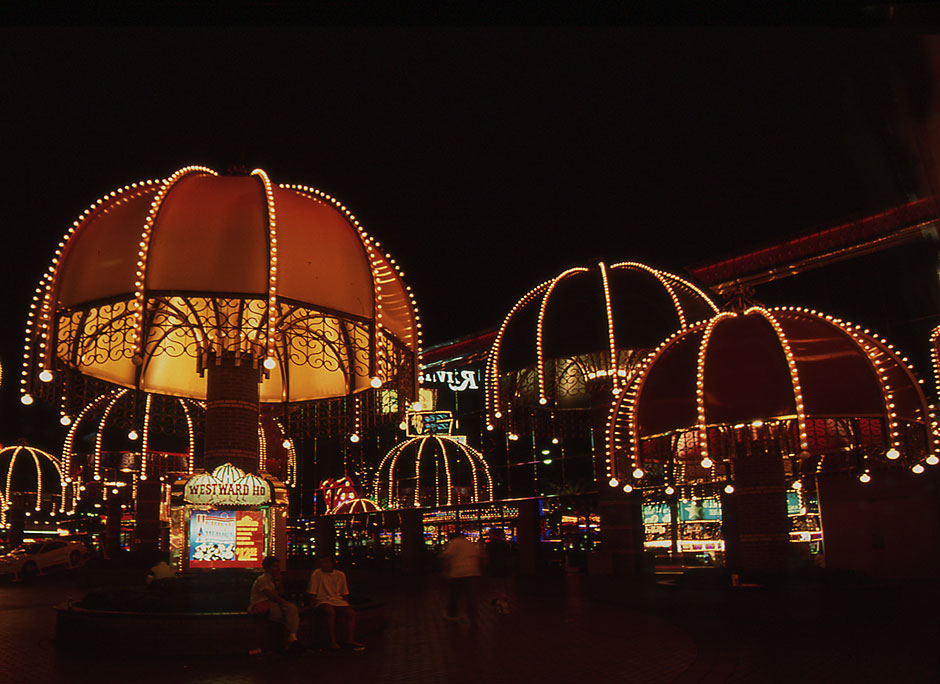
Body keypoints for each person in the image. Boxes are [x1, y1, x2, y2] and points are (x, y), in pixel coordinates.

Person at [306, 555, 363, 650]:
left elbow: (344, 592)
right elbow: (313, 591)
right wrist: (311, 605)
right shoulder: (317, 574)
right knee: (330, 611)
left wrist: (346, 603)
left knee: (351, 613)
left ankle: (350, 639)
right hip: (323, 600)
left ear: (332, 563)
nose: (324, 565)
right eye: (322, 563)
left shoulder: (340, 575)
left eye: (326, 562)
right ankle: (332, 640)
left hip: (337, 600)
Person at [249, 556, 302, 652]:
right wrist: (287, 604)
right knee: (288, 611)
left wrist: (279, 581)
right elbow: (273, 596)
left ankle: (291, 639)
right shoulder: (263, 579)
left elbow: (280, 594)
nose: (278, 569)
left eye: (278, 566)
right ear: (268, 568)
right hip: (263, 604)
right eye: (275, 566)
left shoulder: (275, 578)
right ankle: (291, 638)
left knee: (289, 612)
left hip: (273, 603)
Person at [440, 530, 483, 624]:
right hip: (472, 572)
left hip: (458, 572)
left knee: (454, 595)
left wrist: (445, 570)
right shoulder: (470, 543)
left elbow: (447, 556)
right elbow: (479, 556)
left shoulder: (454, 543)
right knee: (471, 596)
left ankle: (452, 614)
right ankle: (473, 616)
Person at [485, 527, 513, 614]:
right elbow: (509, 556)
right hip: (504, 567)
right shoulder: (505, 544)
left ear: (493, 535)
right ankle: (504, 603)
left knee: (496, 586)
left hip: (494, 567)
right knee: (503, 586)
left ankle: (499, 604)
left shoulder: (490, 545)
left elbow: (487, 557)